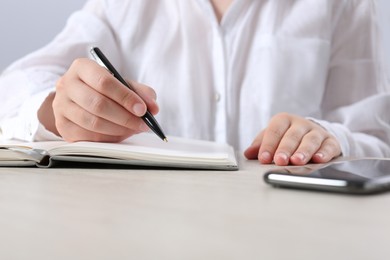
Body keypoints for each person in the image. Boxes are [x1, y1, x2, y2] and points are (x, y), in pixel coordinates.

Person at [0, 0, 389, 166]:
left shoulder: (344, 4)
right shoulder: (124, 6)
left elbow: (377, 139)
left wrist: (329, 137)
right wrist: (55, 109)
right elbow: (12, 87)